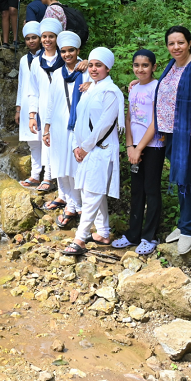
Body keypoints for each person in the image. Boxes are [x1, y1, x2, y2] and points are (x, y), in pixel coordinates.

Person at [154, 26, 191, 254]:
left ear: (189, 42)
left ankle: (190, 228)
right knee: (181, 179)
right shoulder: (171, 66)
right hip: (172, 134)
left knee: (190, 179)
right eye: (171, 43)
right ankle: (184, 224)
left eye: (180, 42)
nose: (176, 47)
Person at [62, 48, 125, 255]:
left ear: (108, 68)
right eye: (91, 65)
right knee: (93, 191)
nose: (94, 69)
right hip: (87, 149)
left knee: (92, 193)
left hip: (100, 149)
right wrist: (76, 146)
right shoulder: (90, 89)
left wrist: (85, 147)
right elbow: (79, 119)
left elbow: (104, 125)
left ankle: (80, 239)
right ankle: (104, 233)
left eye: (99, 65)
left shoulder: (111, 92)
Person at [112, 49, 166, 255]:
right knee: (137, 191)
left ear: (153, 67)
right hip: (134, 147)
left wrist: (139, 147)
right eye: (137, 65)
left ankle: (149, 236)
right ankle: (132, 234)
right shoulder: (133, 88)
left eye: (145, 65)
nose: (140, 69)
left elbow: (156, 121)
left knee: (151, 190)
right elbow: (128, 118)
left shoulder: (157, 87)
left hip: (152, 146)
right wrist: (129, 147)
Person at [41, 30, 88, 230]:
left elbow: (102, 73)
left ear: (78, 51)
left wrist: (88, 62)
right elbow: (51, 103)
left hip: (79, 127)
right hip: (59, 126)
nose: (67, 55)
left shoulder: (86, 72)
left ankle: (80, 206)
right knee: (61, 166)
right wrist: (47, 128)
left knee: (76, 167)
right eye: (63, 51)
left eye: (71, 51)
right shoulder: (58, 74)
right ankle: (70, 202)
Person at [27, 18, 65, 198]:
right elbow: (32, 90)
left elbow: (85, 67)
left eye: (51, 36)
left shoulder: (65, 58)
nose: (47, 40)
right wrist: (32, 114)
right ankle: (48, 177)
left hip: (63, 106)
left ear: (57, 38)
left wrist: (85, 62)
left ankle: (62, 180)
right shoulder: (35, 62)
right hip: (43, 107)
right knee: (47, 141)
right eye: (44, 36)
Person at [16, 22, 45, 190]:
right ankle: (35, 175)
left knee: (46, 139)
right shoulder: (23, 60)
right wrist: (18, 108)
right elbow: (21, 84)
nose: (31, 41)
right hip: (28, 105)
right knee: (33, 142)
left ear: (40, 39)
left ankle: (48, 176)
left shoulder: (49, 57)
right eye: (28, 39)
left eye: (34, 37)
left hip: (44, 102)